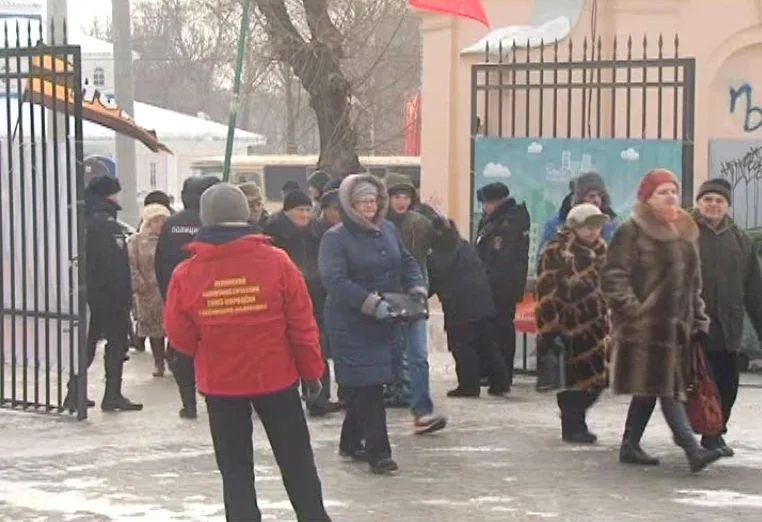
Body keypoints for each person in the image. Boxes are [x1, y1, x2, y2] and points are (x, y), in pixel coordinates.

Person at [164, 183, 331, 522]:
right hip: (276, 378)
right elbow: (302, 326)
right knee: (296, 460)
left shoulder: (187, 273)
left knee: (235, 469)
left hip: (221, 384)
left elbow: (180, 337)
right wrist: (312, 372)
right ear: (245, 214)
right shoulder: (277, 262)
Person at [601, 168, 724, 472]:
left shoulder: (684, 230)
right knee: (667, 388)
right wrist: (635, 312)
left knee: (650, 387)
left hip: (679, 327)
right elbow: (614, 276)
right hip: (645, 327)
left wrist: (698, 318)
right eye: (662, 192)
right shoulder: (631, 230)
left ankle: (630, 445)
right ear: (647, 198)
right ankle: (692, 449)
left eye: (673, 191)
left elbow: (693, 282)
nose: (670, 196)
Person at [319, 173, 426, 474]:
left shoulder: (387, 229)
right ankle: (380, 453)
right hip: (351, 323)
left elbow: (407, 261)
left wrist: (416, 288)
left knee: (367, 383)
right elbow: (334, 280)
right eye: (362, 202)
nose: (369, 206)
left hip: (385, 320)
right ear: (350, 205)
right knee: (369, 386)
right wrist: (370, 303)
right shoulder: (336, 238)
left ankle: (350, 441)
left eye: (373, 200)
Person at [693, 178, 762, 456]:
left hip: (728, 328)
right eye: (708, 199)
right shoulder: (686, 235)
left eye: (719, 200)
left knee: (727, 385)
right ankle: (694, 433)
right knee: (691, 386)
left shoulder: (740, 240)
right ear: (699, 203)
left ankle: (715, 434)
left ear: (727, 205)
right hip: (693, 327)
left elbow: (754, 291)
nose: (713, 205)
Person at [535, 203, 609, 444]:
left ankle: (573, 418)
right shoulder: (556, 251)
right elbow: (546, 291)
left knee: (598, 381)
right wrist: (549, 328)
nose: (593, 231)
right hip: (569, 326)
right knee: (575, 381)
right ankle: (573, 425)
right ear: (574, 226)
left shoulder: (601, 250)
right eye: (588, 226)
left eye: (597, 226)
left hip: (597, 328)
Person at [265, 190, 339, 417]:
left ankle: (319, 398)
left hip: (316, 295)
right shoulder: (272, 231)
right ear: (287, 211)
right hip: (284, 297)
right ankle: (284, 397)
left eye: (307, 209)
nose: (305, 214)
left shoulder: (318, 230)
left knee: (316, 346)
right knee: (285, 348)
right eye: (300, 210)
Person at [155, 175, 220, 419]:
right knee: (213, 348)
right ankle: (214, 396)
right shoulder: (212, 225)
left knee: (182, 349)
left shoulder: (171, 224)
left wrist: (167, 294)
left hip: (178, 294)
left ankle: (188, 403)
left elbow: (159, 261)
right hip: (210, 296)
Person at [385, 173, 447, 433]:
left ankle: (422, 410)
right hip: (385, 298)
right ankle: (393, 392)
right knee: (391, 353)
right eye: (396, 196)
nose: (401, 202)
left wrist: (444, 229)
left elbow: (446, 245)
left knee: (418, 356)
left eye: (405, 197)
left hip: (414, 297)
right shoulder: (379, 226)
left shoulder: (420, 222)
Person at [428, 217, 509, 397]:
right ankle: (500, 382)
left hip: (458, 308)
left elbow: (432, 282)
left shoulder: (437, 256)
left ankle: (469, 385)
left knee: (463, 346)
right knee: (486, 343)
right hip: (483, 302)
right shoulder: (464, 247)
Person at [82, 175, 142, 412]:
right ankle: (112, 395)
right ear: (110, 193)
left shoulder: (88, 218)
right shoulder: (105, 223)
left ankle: (74, 391)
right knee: (116, 344)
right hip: (109, 296)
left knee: (87, 345)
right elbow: (113, 265)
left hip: (93, 295)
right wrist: (124, 299)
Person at [474, 182, 530, 389]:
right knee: (490, 330)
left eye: (487, 203)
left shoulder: (510, 222)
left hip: (502, 286)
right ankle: (491, 372)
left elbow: (502, 258)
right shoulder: (491, 221)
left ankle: (503, 374)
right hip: (488, 285)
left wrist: (487, 280)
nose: (484, 207)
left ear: (497, 202)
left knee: (502, 329)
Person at [128, 203, 171, 377]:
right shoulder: (137, 241)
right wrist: (139, 284)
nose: (160, 224)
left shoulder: (169, 239)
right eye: (156, 220)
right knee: (154, 330)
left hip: (168, 289)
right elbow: (131, 265)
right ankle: (159, 363)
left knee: (173, 327)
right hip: (148, 292)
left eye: (163, 220)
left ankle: (171, 359)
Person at [539, 173, 618, 252]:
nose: (597, 200)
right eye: (591, 196)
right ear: (580, 199)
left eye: (600, 195)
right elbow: (543, 255)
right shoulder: (557, 224)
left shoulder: (611, 225)